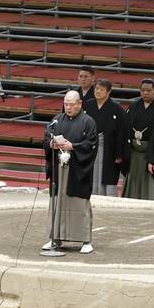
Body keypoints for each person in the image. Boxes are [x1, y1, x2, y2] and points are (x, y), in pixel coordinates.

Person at [44, 91, 98, 254]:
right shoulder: (56, 120)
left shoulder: (88, 122)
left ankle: (86, 240)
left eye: (71, 104)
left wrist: (73, 146)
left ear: (79, 104)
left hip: (77, 169)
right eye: (66, 104)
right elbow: (46, 138)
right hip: (58, 169)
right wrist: (51, 144)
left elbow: (91, 143)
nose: (68, 107)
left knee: (79, 204)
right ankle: (56, 238)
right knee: (57, 203)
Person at [123, 80, 154, 200]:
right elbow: (127, 126)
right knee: (132, 176)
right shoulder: (133, 106)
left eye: (149, 90)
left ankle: (148, 199)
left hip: (152, 149)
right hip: (134, 149)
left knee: (148, 178)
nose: (145, 93)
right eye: (143, 90)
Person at [84, 79, 128, 197]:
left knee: (108, 175)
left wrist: (119, 154)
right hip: (90, 145)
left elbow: (121, 132)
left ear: (108, 92)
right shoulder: (87, 105)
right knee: (90, 172)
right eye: (96, 88)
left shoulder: (117, 108)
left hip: (109, 146)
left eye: (101, 89)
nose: (98, 91)